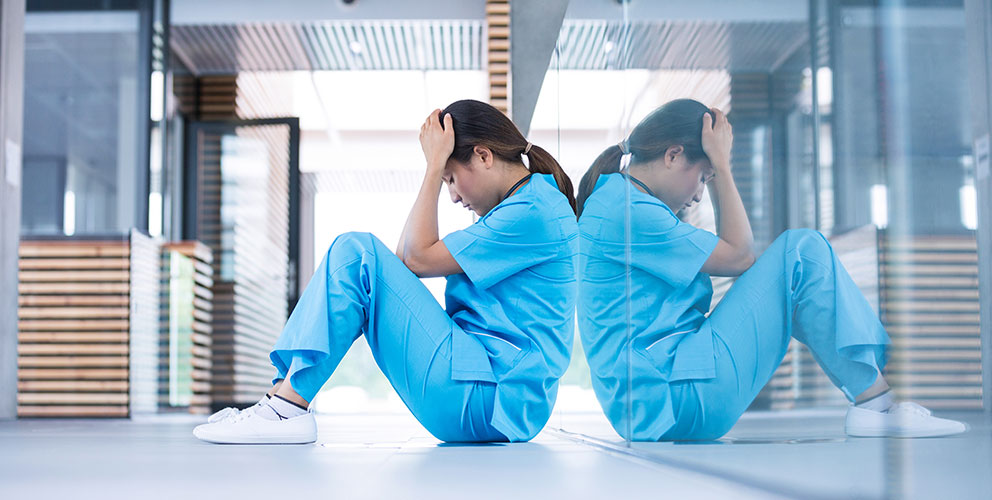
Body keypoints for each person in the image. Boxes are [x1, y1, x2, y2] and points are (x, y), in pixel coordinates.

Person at [575, 98, 967, 441]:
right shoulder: (629, 212)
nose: (697, 195)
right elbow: (741, 256)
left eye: (708, 181)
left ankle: (876, 399)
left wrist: (714, 168)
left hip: (659, 400)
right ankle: (878, 405)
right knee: (803, 252)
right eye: (701, 178)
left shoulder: (620, 204)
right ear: (673, 155)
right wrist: (724, 169)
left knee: (797, 259)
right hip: (677, 395)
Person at [192, 99, 578, 444]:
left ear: (483, 155)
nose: (454, 196)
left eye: (451, 179)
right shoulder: (523, 208)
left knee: (356, 251)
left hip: (488, 396)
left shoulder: (533, 212)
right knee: (360, 256)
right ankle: (281, 401)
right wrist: (437, 168)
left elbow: (412, 259)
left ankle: (284, 410)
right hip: (484, 391)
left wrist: (431, 168)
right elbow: (404, 259)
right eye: (445, 183)